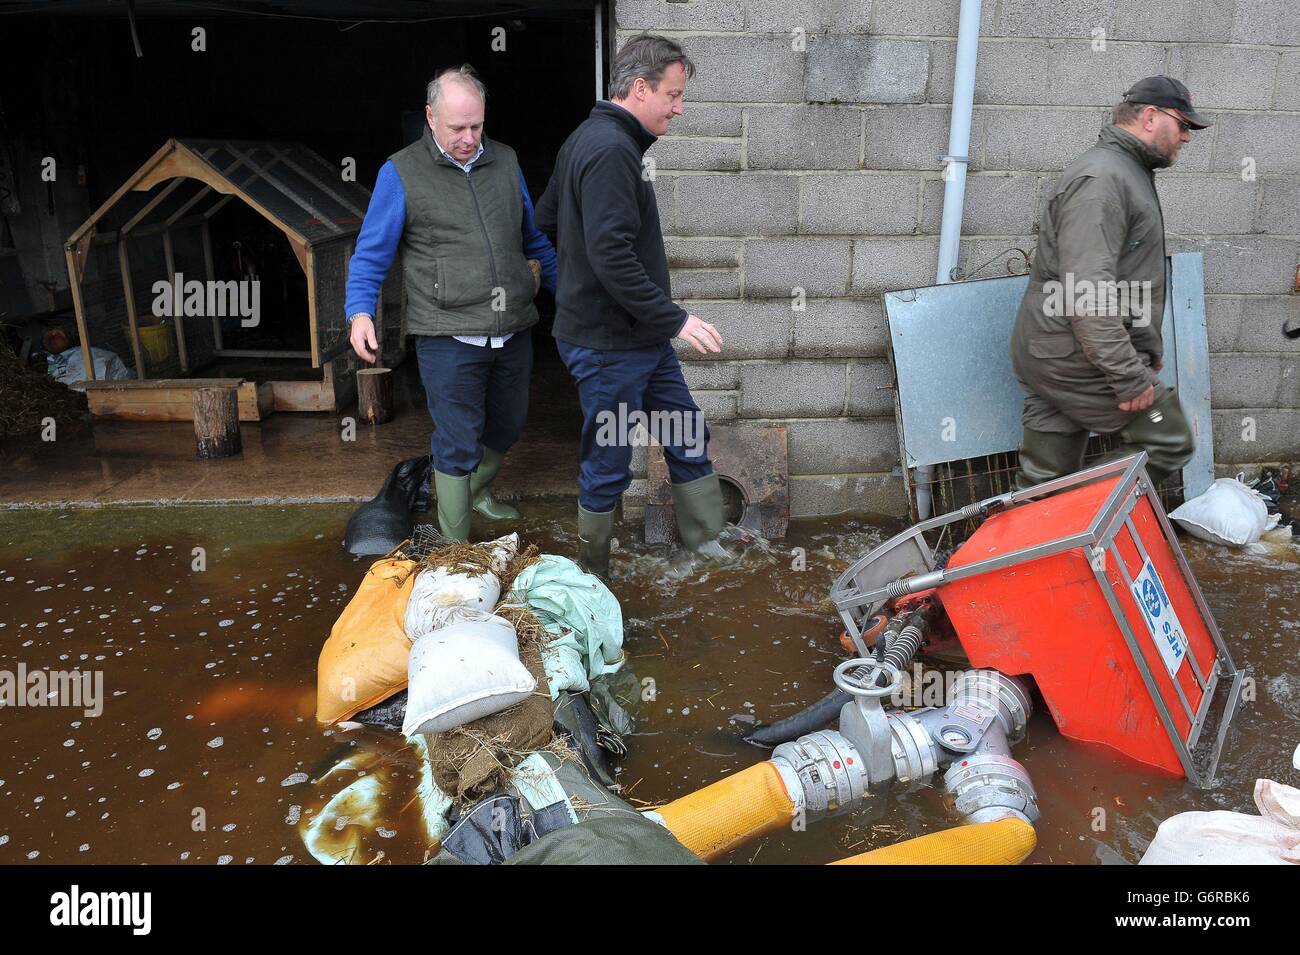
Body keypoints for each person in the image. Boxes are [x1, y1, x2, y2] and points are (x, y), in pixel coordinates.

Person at [536, 34, 728, 577]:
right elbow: (610, 254)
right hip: (606, 346)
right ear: (640, 88)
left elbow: (547, 220)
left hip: (637, 338)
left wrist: (578, 284)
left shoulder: (590, 140)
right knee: (609, 458)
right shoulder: (609, 149)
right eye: (673, 93)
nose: (679, 106)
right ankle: (593, 572)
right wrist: (677, 318)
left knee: (686, 431)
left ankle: (705, 548)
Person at [344, 65, 557, 541]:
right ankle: (457, 550)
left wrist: (578, 297)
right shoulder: (401, 172)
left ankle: (478, 493)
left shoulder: (505, 161)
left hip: (512, 325)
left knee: (508, 426)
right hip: (447, 332)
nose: (468, 138)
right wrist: (359, 312)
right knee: (457, 440)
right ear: (430, 117)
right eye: (457, 127)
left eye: (476, 126)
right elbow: (371, 252)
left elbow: (534, 241)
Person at [1010, 76, 1208, 490]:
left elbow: (1119, 277)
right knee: (1168, 440)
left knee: (1044, 478)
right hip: (1075, 355)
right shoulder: (1103, 180)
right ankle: (1070, 526)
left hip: (1060, 348)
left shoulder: (1123, 172)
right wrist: (1128, 374)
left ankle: (1027, 546)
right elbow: (1087, 291)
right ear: (1151, 116)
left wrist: (1142, 347)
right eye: (1184, 124)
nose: (1187, 137)